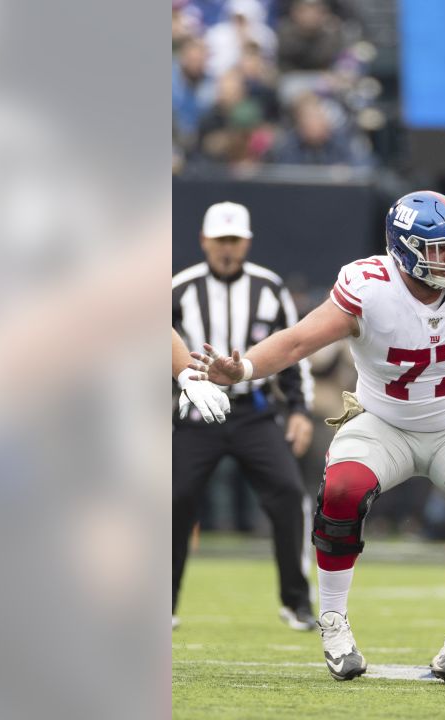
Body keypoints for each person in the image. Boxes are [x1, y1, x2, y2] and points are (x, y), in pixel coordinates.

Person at [194, 191, 445, 683]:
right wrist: (247, 367)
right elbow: (299, 340)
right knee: (340, 492)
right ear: (403, 250)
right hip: (384, 421)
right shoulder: (369, 287)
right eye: (438, 250)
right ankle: (334, 622)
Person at [172, 202, 317, 632]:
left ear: (247, 242)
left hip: (252, 411)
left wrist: (299, 410)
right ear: (204, 241)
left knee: (289, 495)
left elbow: (293, 353)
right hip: (196, 412)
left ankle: (297, 601)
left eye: (234, 241)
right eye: (220, 241)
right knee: (173, 500)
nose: (227, 250)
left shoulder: (269, 288)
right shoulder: (180, 288)